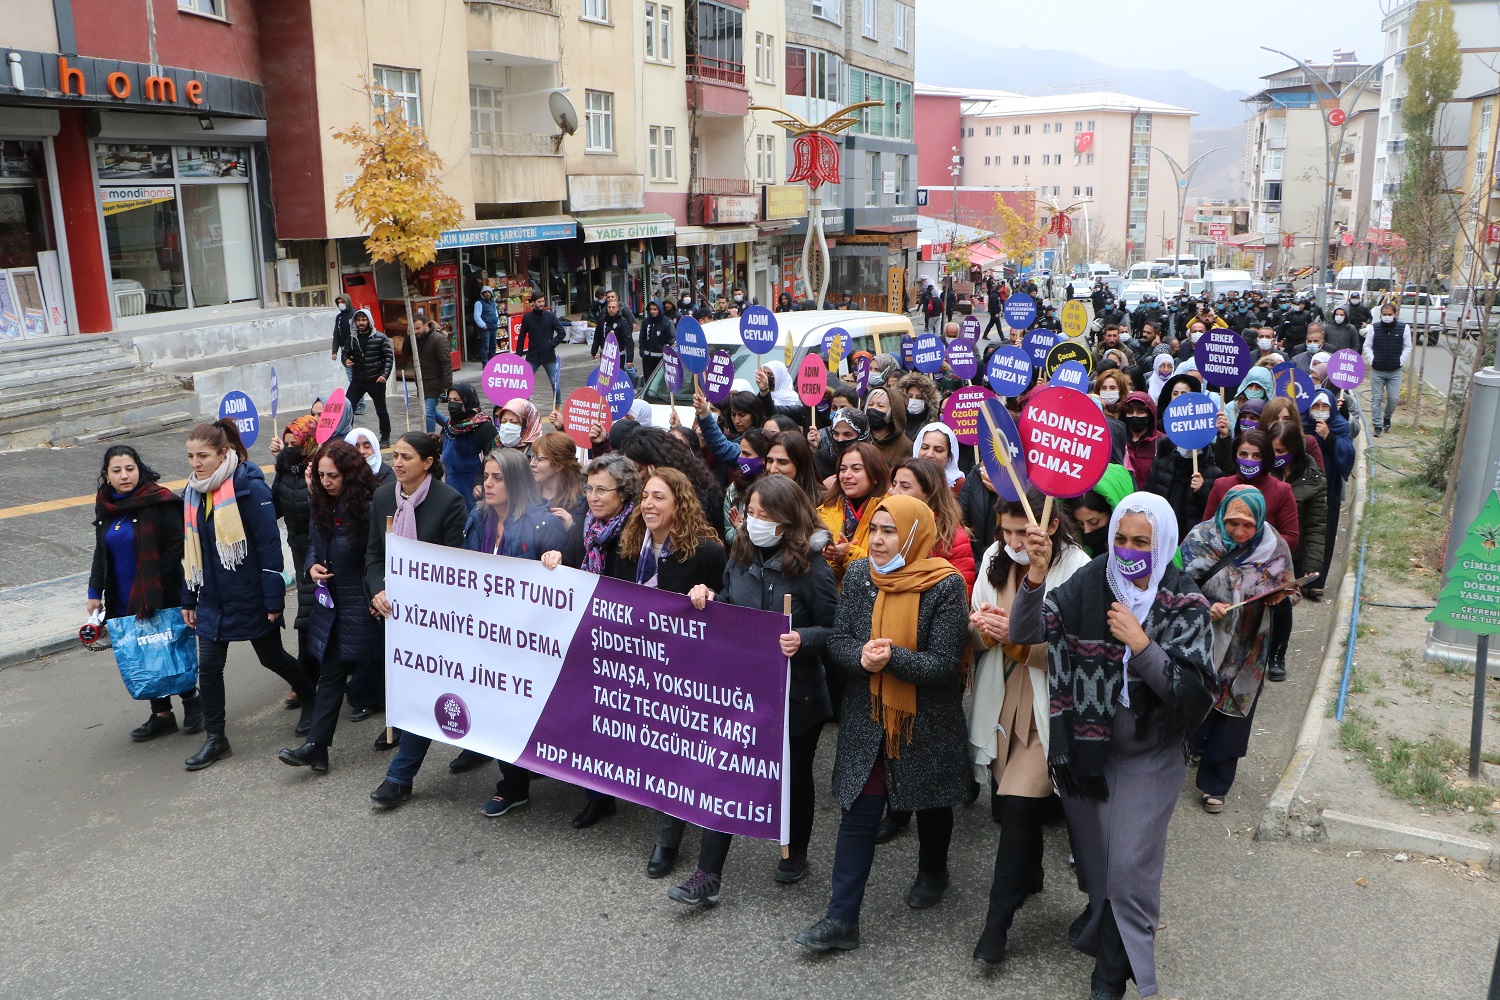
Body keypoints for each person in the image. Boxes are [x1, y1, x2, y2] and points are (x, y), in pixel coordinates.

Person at [1007, 492, 1215, 1000]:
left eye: (1141, 541)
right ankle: (1107, 940)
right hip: (1087, 752)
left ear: (1162, 543)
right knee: (1099, 869)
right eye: (1121, 538)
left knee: (1127, 872)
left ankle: (1111, 980)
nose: (1127, 549)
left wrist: (1142, 646)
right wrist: (1034, 577)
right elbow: (1023, 632)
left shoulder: (1185, 601)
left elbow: (1194, 700)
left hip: (1152, 754)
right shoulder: (1093, 579)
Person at [793, 495, 971, 952]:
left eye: (889, 531)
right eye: (874, 529)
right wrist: (862, 658)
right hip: (868, 715)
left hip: (923, 720)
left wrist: (894, 658)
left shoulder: (944, 585)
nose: (877, 540)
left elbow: (944, 663)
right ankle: (841, 920)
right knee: (859, 814)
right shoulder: (857, 575)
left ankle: (933, 869)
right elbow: (841, 642)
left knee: (930, 803)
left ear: (913, 535)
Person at [668, 476, 836, 904]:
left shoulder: (813, 567)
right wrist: (709, 598)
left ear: (787, 519)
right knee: (725, 772)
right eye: (752, 512)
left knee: (794, 778)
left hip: (797, 697)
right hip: (743, 689)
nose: (754, 521)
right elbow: (730, 603)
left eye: (765, 515)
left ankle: (794, 852)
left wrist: (803, 639)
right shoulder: (739, 556)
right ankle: (708, 873)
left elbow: (838, 631)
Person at [968, 488, 1091, 965]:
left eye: (1025, 532)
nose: (1014, 541)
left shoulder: (1077, 568)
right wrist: (983, 628)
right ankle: (1033, 873)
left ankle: (995, 927)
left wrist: (1019, 643)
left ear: (1051, 525)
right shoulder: (995, 557)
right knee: (1010, 798)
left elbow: (1079, 650)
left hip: (1047, 706)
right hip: (1000, 700)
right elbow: (975, 624)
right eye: (1006, 531)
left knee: (1017, 808)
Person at [180, 420, 317, 771]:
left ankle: (311, 700)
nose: (195, 464)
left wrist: (273, 599)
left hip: (250, 595)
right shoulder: (193, 491)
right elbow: (190, 550)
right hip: (212, 598)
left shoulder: (250, 489)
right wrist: (188, 598)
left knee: (271, 658)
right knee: (209, 669)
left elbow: (270, 546)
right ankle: (216, 739)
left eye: (203, 456)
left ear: (223, 453)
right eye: (191, 456)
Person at [614, 468, 728, 877]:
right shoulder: (627, 548)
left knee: (674, 755)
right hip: (635, 666)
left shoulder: (708, 554)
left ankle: (667, 839)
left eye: (659, 496)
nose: (648, 504)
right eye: (645, 496)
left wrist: (711, 598)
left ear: (679, 502)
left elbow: (729, 613)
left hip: (685, 675)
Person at [458, 449, 569, 815]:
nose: (487, 484)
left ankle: (541, 767)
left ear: (517, 482)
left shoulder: (543, 524)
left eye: (498, 478)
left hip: (528, 639)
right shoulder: (477, 520)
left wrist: (555, 563)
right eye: (486, 476)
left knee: (529, 711)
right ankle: (513, 784)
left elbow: (559, 591)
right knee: (496, 709)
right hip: (486, 634)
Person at [366, 433, 471, 805]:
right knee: (419, 689)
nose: (397, 463)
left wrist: (421, 595)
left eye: (406, 457)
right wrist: (378, 589)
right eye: (395, 456)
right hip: (397, 616)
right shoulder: (382, 497)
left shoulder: (449, 502)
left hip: (438, 618)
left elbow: (453, 564)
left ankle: (399, 777)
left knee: (433, 691)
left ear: (427, 463)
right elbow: (374, 554)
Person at [539, 453, 643, 827]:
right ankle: (597, 795)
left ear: (624, 491)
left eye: (602, 490)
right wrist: (555, 556)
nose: (593, 497)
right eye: (589, 489)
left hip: (626, 641)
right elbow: (568, 555)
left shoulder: (637, 527)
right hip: (586, 634)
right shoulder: (584, 522)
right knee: (591, 716)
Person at [1181, 487, 1295, 811]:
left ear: (1259, 520)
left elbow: (1289, 586)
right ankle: (1194, 745)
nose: (1240, 531)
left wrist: (1279, 594)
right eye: (1232, 523)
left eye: (1248, 524)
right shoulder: (1201, 538)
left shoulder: (1273, 546)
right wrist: (1205, 604)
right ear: (1221, 516)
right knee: (1201, 695)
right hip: (1205, 637)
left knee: (1236, 705)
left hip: (1249, 642)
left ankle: (1217, 781)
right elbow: (1176, 583)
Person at [277, 440, 380, 774]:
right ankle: (317, 748)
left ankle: (403, 731)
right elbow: (312, 542)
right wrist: (310, 566)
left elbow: (377, 556)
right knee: (332, 673)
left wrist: (376, 593)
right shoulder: (319, 501)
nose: (326, 482)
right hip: (333, 602)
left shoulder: (370, 505)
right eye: (321, 475)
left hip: (366, 603)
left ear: (349, 473)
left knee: (387, 668)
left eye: (332, 475)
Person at [88, 445, 199, 742]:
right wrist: (93, 591)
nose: (125, 475)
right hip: (122, 595)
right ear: (106, 475)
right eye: (117, 470)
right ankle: (162, 715)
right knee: (143, 652)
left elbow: (177, 545)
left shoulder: (159, 501)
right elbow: (102, 553)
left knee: (170, 644)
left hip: (161, 591)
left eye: (130, 468)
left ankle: (192, 703)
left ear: (139, 468)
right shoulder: (106, 506)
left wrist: (154, 585)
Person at [271, 415, 319, 709]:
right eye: (286, 444)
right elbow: (275, 507)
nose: (289, 449)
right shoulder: (286, 470)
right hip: (299, 552)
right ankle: (308, 680)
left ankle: (309, 680)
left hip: (322, 553)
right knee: (307, 619)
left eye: (295, 444)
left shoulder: (321, 469)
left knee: (310, 618)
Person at [1203, 428, 1300, 559]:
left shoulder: (1282, 490)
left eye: (1256, 456)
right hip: (1223, 563)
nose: (1249, 461)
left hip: (1263, 567)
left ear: (1266, 458)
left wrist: (1254, 543)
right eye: (1243, 455)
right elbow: (1206, 528)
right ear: (1235, 455)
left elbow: (1291, 538)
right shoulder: (1221, 485)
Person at [817, 441, 890, 588]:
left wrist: (849, 553)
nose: (846, 476)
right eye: (843, 470)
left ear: (875, 475)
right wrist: (834, 558)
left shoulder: (890, 510)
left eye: (856, 469)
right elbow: (818, 572)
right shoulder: (825, 510)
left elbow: (888, 568)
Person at [440, 383, 497, 513]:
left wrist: (480, 483)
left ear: (468, 401)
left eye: (457, 400)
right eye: (450, 400)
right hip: (451, 487)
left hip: (473, 489)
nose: (452, 404)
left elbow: (494, 457)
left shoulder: (484, 427)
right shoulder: (449, 426)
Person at [341, 308, 394, 445]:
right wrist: (346, 361)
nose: (361, 323)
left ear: (369, 321)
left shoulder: (381, 338)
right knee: (347, 407)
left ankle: (385, 437)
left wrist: (384, 375)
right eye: (358, 320)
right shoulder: (352, 339)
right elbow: (345, 354)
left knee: (381, 409)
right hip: (358, 380)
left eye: (363, 320)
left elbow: (388, 357)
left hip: (376, 380)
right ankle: (347, 436)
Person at [1362, 301, 1411, 437]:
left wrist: (1400, 361)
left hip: (1395, 371)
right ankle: (1377, 425)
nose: (1387, 316)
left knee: (1393, 398)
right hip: (1378, 370)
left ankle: (1387, 417)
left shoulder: (1403, 328)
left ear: (1395, 314)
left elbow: (1408, 346)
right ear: (1381, 315)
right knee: (1376, 398)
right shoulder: (1374, 328)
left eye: (1390, 314)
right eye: (1384, 314)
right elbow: (1367, 346)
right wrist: (1372, 360)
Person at [516, 294, 569, 409]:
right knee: (525, 382)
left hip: (548, 356)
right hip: (532, 356)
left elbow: (562, 332)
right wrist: (518, 355)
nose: (541, 304)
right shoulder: (527, 317)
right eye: (539, 301)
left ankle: (557, 406)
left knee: (555, 382)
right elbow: (521, 336)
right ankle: (525, 406)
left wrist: (552, 344)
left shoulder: (550, 316)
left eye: (543, 301)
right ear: (533, 303)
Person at [530, 430, 587, 531]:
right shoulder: (527, 495)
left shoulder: (581, 502)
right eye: (532, 457)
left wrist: (571, 527)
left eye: (539, 458)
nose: (532, 463)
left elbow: (581, 545)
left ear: (559, 465)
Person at [416, 319, 453, 432]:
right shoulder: (418, 338)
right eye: (413, 328)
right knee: (429, 410)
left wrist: (447, 385)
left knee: (428, 410)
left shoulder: (438, 339)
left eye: (418, 328)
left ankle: (430, 439)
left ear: (426, 325)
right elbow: (406, 351)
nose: (415, 331)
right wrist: (409, 337)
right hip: (423, 382)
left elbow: (446, 363)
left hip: (435, 382)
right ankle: (450, 427)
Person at [1120, 392, 1162, 491]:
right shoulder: (1118, 441)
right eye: (1130, 412)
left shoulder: (1161, 443)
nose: (1134, 416)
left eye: (1140, 412)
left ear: (1149, 415)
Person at [765, 429, 823, 502]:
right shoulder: (757, 496)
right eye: (770, 461)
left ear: (800, 464)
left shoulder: (823, 503)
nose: (772, 469)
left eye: (782, 462)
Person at [910, 423, 963, 496]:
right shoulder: (902, 478)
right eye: (925, 448)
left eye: (938, 450)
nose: (929, 454)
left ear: (949, 456)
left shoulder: (959, 485)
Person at [592, 292, 636, 376]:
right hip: (605, 355)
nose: (611, 309)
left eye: (613, 307)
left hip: (619, 355)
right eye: (609, 307)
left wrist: (629, 359)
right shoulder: (602, 320)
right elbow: (597, 337)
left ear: (617, 309)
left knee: (618, 376)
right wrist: (593, 351)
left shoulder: (623, 322)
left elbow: (629, 342)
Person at [638, 299, 676, 380]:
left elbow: (672, 340)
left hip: (661, 360)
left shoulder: (667, 322)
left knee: (661, 382)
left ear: (660, 309)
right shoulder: (646, 321)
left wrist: (668, 356)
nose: (652, 311)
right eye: (651, 309)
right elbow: (642, 338)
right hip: (647, 359)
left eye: (655, 309)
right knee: (648, 380)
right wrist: (642, 350)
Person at [474, 286, 501, 363]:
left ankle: (492, 362)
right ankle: (485, 364)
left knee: (493, 346)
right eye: (485, 292)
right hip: (486, 328)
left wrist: (497, 322)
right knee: (485, 347)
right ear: (482, 294)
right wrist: (483, 325)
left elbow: (496, 313)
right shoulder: (479, 303)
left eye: (488, 292)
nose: (487, 294)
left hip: (494, 327)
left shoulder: (493, 302)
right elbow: (476, 316)